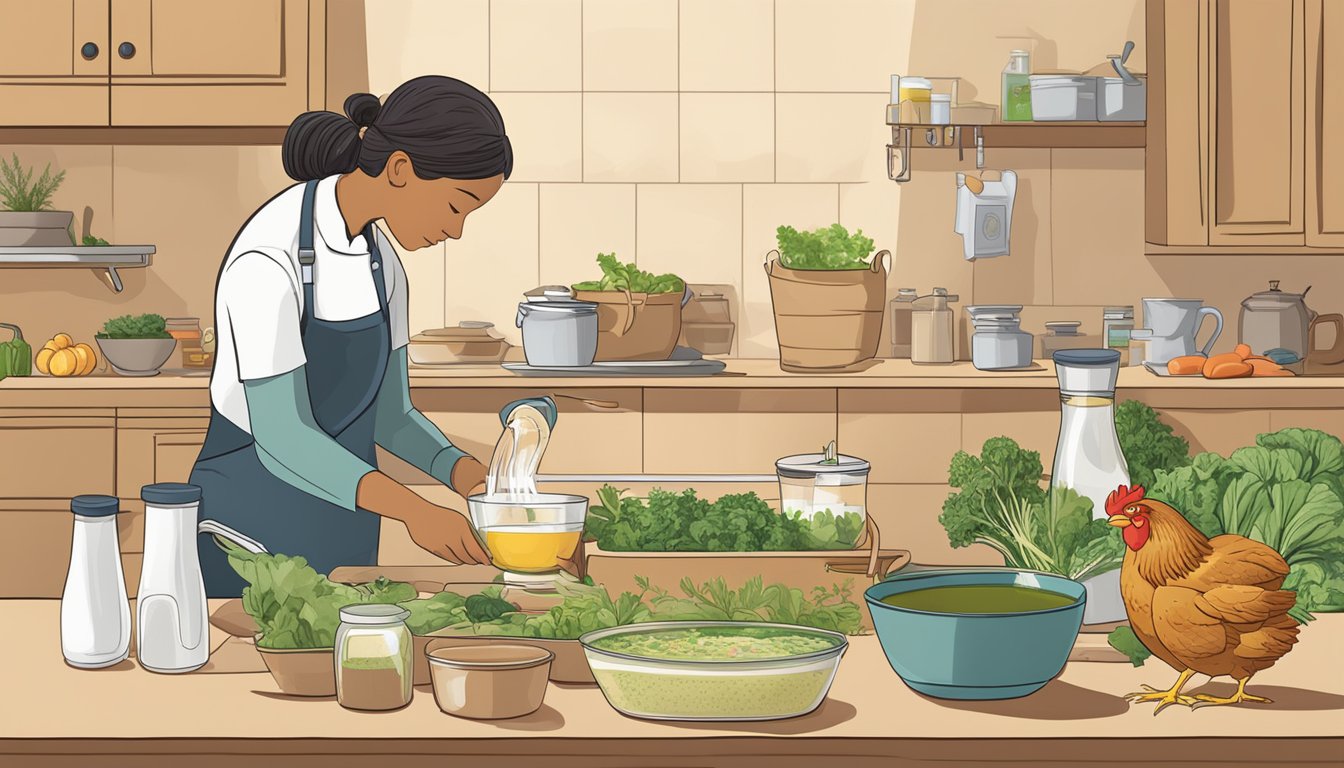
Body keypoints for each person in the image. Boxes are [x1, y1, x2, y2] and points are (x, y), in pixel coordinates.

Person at [191, 76, 508, 597]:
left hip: (346, 526)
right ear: (401, 169)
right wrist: (414, 510)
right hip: (250, 532)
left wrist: (471, 478)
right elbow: (282, 436)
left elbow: (392, 416)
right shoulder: (269, 257)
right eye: (456, 206)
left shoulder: (384, 264)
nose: (456, 232)